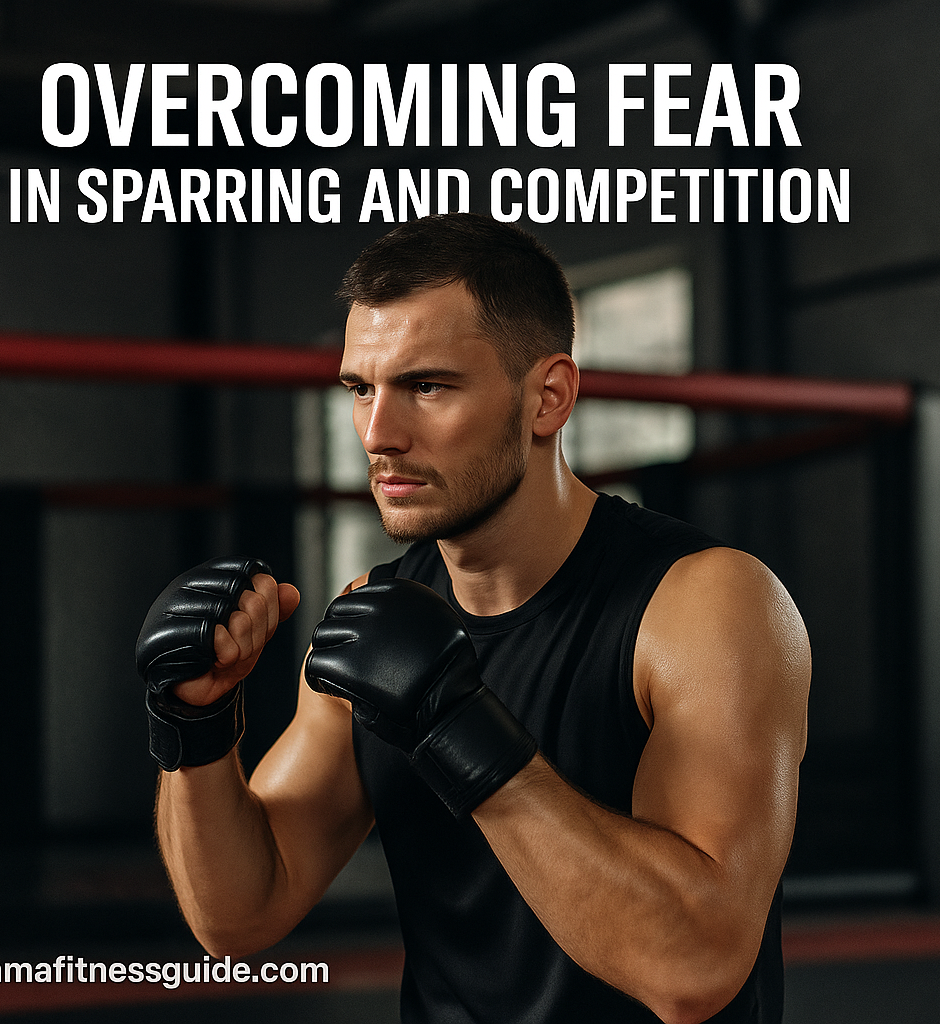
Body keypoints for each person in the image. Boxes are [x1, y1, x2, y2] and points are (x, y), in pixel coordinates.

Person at [137, 213, 811, 1024]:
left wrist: (457, 729)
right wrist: (197, 728)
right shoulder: (375, 613)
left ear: (548, 398)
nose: (379, 435)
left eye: (427, 386)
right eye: (361, 388)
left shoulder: (706, 605)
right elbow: (240, 915)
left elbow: (695, 969)